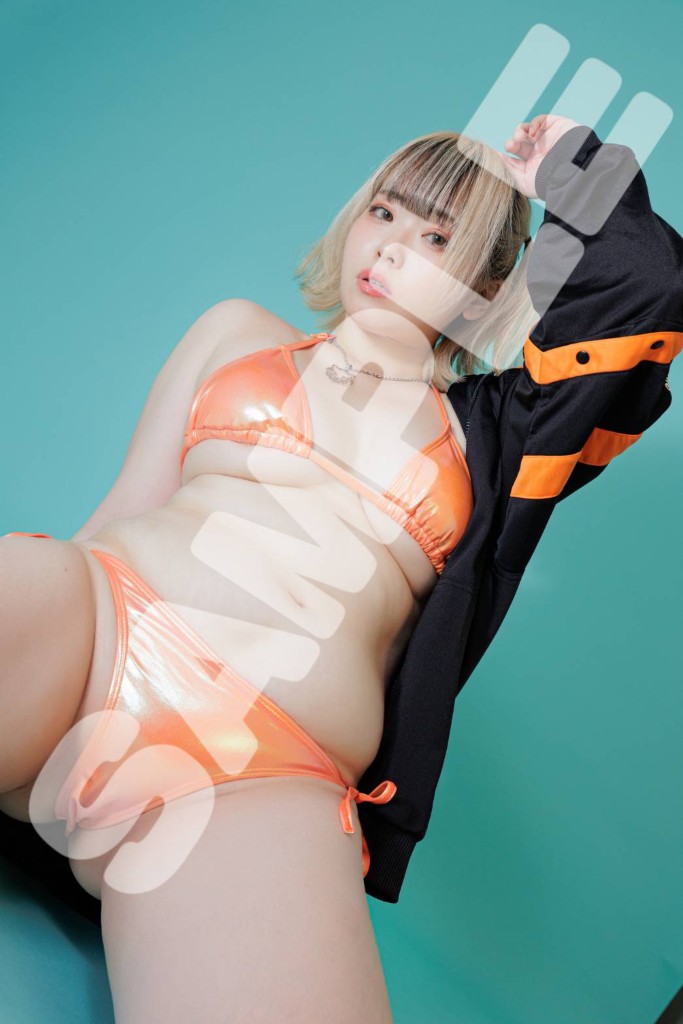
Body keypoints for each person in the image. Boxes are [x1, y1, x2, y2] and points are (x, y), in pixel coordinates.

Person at [1, 113, 681, 1022]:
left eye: (436, 239)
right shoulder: (237, 333)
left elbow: (649, 291)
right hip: (91, 639)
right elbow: (122, 510)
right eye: (385, 213)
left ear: (485, 288)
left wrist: (570, 164)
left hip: (257, 774)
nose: (390, 248)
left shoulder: (496, 441)